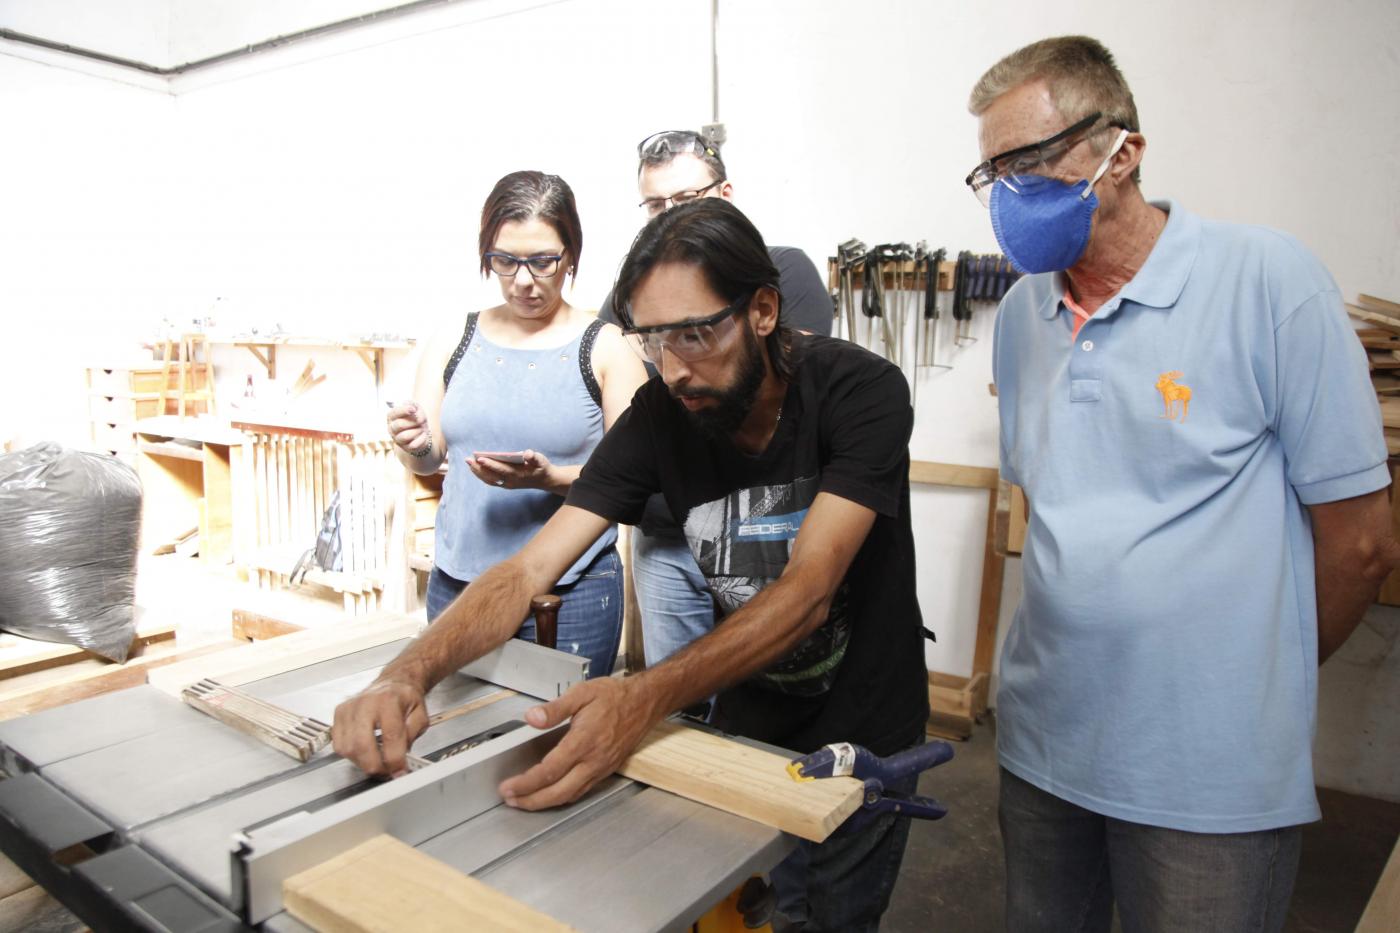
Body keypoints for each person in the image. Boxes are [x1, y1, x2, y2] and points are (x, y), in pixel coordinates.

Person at [337, 199, 929, 932]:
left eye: (696, 332)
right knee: (763, 904)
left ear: (764, 310)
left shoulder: (859, 392)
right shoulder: (660, 415)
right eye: (652, 340)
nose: (674, 367)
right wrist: (407, 672)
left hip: (864, 729)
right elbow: (527, 570)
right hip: (751, 720)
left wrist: (641, 696)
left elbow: (807, 591)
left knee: (835, 916)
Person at [966, 35, 1397, 932]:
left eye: (1032, 163)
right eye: (992, 173)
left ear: (1122, 152)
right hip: (1044, 747)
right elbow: (1058, 512)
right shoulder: (1022, 313)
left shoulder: (1268, 284)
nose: (1011, 195)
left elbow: (1361, 542)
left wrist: (1251, 676)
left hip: (1208, 773)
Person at [385, 169, 646, 677]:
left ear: (571, 254)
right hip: (457, 584)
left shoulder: (607, 348)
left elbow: (636, 483)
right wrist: (411, 442)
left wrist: (549, 479)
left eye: (543, 261)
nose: (523, 280)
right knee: (464, 737)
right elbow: (428, 459)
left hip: (570, 590)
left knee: (558, 740)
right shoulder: (453, 338)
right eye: (505, 261)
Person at [594, 129, 834, 669]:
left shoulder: (783, 271)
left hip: (761, 534)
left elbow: (787, 397)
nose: (667, 215)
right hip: (664, 537)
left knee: (770, 691)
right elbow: (626, 410)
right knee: (677, 705)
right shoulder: (626, 300)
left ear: (724, 194)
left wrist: (645, 350)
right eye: (654, 204)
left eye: (684, 199)